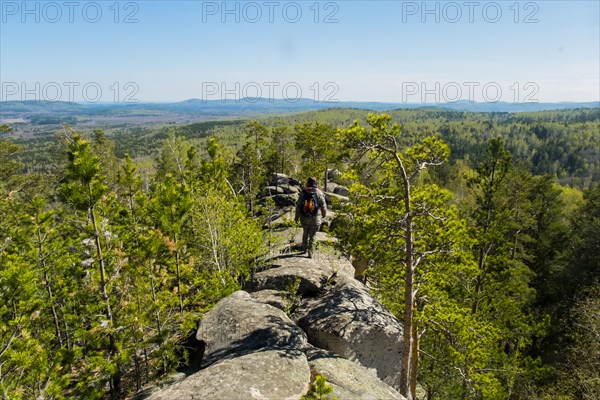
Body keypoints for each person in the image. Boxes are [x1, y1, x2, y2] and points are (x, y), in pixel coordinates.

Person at [294, 176, 327, 258]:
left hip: (304, 217)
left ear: (307, 183)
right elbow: (323, 207)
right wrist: (323, 215)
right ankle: (310, 252)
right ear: (316, 183)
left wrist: (296, 218)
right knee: (313, 235)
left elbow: (298, 206)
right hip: (315, 218)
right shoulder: (319, 193)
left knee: (305, 233)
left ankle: (304, 249)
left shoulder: (303, 193)